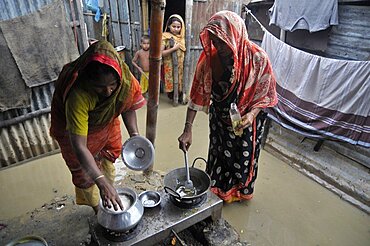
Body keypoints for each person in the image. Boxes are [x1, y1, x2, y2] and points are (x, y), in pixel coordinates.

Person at [178, 11, 278, 203]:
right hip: (220, 118)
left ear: (236, 34)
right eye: (214, 41)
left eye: (223, 41)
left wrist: (251, 115)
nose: (219, 47)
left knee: (243, 157)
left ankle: (239, 193)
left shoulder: (258, 59)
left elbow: (266, 95)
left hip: (247, 120)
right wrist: (187, 129)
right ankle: (218, 191)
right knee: (219, 152)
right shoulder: (210, 60)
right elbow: (197, 95)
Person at [50, 40, 146, 213]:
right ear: (89, 82)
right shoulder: (78, 95)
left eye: (112, 85)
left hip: (106, 123)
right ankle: (98, 209)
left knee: (109, 157)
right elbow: (79, 146)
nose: (108, 92)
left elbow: (128, 104)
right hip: (74, 131)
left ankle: (109, 190)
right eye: (100, 87)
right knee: (84, 174)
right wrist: (100, 182)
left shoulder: (124, 79)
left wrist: (134, 135)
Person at [161, 14, 186, 104]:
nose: (176, 29)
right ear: (168, 26)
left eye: (178, 27)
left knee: (180, 82)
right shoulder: (165, 37)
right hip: (169, 65)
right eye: (173, 26)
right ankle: (173, 98)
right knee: (171, 83)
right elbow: (161, 53)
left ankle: (180, 97)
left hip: (180, 66)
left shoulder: (182, 38)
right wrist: (173, 49)